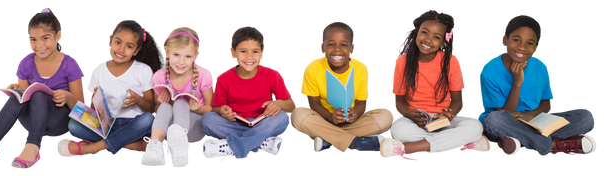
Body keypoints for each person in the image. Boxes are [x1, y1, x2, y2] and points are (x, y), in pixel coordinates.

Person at [0, 5, 87, 171]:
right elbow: (23, 98)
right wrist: (15, 88)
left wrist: (68, 97)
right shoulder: (26, 61)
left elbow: (82, 109)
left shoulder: (70, 64)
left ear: (59, 36)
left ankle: (32, 147)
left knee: (38, 92)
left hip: (59, 120)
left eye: (45, 38)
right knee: (18, 96)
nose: (39, 45)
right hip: (31, 121)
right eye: (33, 39)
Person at [380, 7, 492, 163]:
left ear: (442, 41)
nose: (428, 40)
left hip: (444, 121)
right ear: (416, 32)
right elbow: (398, 101)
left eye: (436, 37)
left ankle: (407, 148)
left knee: (474, 126)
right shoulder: (401, 63)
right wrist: (410, 113)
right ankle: (462, 143)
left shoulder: (452, 61)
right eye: (425, 32)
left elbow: (457, 100)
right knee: (398, 129)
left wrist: (449, 114)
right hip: (416, 121)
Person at [479, 12, 598, 158]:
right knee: (494, 121)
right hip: (508, 121)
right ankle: (554, 145)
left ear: (536, 48)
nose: (522, 47)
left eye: (529, 43)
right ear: (504, 41)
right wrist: (517, 82)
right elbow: (505, 114)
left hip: (535, 120)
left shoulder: (541, 66)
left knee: (587, 116)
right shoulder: (489, 71)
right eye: (517, 40)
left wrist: (529, 115)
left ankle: (521, 142)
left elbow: (547, 104)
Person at [55, 17, 164, 159]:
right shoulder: (98, 68)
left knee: (149, 120)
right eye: (118, 42)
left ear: (136, 50)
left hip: (132, 123)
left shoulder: (143, 70)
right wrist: (93, 103)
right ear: (109, 41)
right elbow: (92, 106)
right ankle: (128, 145)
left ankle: (96, 147)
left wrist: (138, 100)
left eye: (129, 46)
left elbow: (150, 108)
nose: (121, 49)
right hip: (106, 126)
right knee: (73, 125)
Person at [290, 19, 394, 156]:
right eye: (331, 44)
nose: (337, 49)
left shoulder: (362, 67)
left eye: (343, 45)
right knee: (297, 113)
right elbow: (313, 103)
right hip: (323, 119)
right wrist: (330, 117)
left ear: (353, 49)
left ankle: (327, 141)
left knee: (387, 114)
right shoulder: (311, 67)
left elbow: (362, 103)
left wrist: (355, 114)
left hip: (351, 123)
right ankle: (355, 144)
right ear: (322, 48)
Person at [199, 24, 297, 165]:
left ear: (263, 53)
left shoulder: (272, 74)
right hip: (235, 124)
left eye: (255, 52)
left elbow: (292, 104)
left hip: (263, 122)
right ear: (232, 53)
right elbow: (215, 109)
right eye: (243, 51)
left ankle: (232, 146)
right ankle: (260, 144)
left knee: (282, 118)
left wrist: (279, 103)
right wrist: (221, 111)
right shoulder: (224, 77)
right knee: (207, 120)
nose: (249, 57)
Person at [138, 24, 214, 170]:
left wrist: (198, 109)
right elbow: (157, 110)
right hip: (166, 129)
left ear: (196, 56)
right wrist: (160, 103)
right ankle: (156, 147)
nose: (181, 62)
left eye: (188, 56)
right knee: (166, 106)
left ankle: (180, 142)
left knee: (180, 102)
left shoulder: (204, 74)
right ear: (166, 52)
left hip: (193, 129)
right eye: (176, 55)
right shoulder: (159, 77)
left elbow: (211, 108)